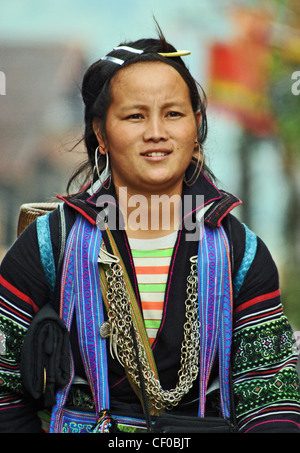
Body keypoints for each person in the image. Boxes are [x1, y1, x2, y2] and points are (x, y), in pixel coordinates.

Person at [0, 27, 299, 434]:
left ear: (196, 130)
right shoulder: (51, 245)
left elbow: (272, 402)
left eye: (173, 114)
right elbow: (3, 394)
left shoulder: (240, 252)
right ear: (101, 133)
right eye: (135, 115)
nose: (156, 132)